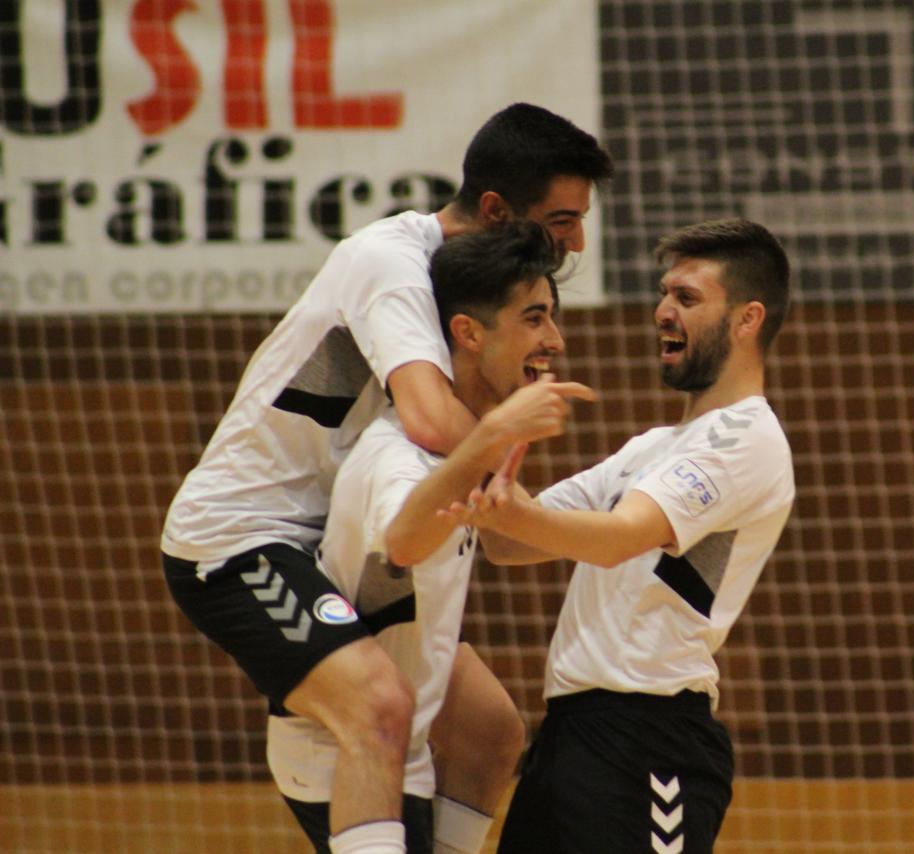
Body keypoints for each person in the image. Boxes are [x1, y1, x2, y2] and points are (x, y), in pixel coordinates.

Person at [161, 104, 612, 854]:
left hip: (334, 528)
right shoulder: (391, 259)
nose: (577, 243)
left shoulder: (462, 287)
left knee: (491, 731)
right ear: (496, 211)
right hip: (241, 539)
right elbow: (436, 422)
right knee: (379, 705)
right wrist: (512, 483)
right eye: (562, 221)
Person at [444, 218, 795, 854]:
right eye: (664, 293)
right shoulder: (653, 447)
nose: (663, 310)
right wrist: (492, 419)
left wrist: (501, 494)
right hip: (572, 736)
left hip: (650, 742)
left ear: (747, 320)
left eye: (687, 298)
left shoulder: (747, 436)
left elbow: (617, 538)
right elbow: (510, 543)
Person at [268, 222, 594, 853]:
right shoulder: (404, 455)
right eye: (534, 318)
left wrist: (626, 527)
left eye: (552, 318)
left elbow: (508, 540)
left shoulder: (464, 444)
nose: (554, 339)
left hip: (404, 742)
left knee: (496, 729)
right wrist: (492, 437)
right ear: (468, 333)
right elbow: (405, 541)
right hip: (344, 751)